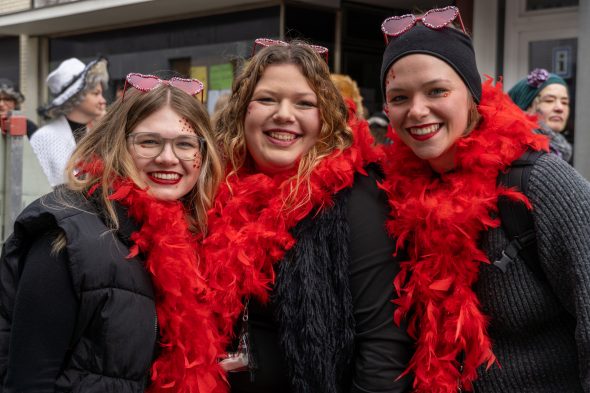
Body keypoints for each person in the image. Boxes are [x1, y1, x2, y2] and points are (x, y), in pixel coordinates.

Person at [378, 6, 590, 393]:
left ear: (472, 94)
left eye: (436, 90)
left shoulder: (538, 180)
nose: (417, 110)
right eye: (399, 97)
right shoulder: (394, 194)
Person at [202, 39, 413, 392]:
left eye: (304, 103)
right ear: (242, 110)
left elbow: (382, 348)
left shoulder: (355, 198)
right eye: (268, 99)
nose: (284, 114)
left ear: (325, 118)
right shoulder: (209, 191)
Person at [0, 73, 224, 391]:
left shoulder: (193, 237)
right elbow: (28, 381)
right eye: (149, 141)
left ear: (203, 155)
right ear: (117, 144)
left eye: (185, 144)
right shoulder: (66, 236)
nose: (168, 158)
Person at [31, 57, 109, 187]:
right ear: (76, 97)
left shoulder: (96, 133)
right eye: (96, 94)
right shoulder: (44, 137)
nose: (103, 100)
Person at [508, 68, 573, 162]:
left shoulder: (561, 148)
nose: (560, 108)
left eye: (564, 102)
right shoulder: (524, 153)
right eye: (549, 100)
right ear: (526, 108)